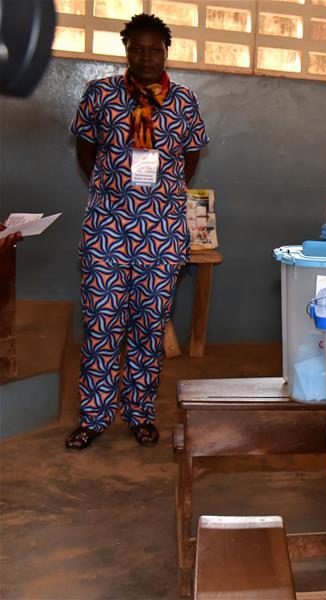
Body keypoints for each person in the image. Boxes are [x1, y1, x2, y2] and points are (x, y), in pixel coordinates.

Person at [66, 13, 209, 450]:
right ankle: (93, 416)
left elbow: (188, 159)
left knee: (149, 328)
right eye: (138, 48)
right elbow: (87, 152)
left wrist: (157, 195)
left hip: (162, 234)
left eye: (155, 49)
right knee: (102, 325)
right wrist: (117, 191)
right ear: (126, 49)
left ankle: (140, 413)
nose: (146, 56)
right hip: (107, 230)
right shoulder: (101, 94)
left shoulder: (184, 101)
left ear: (166, 52)